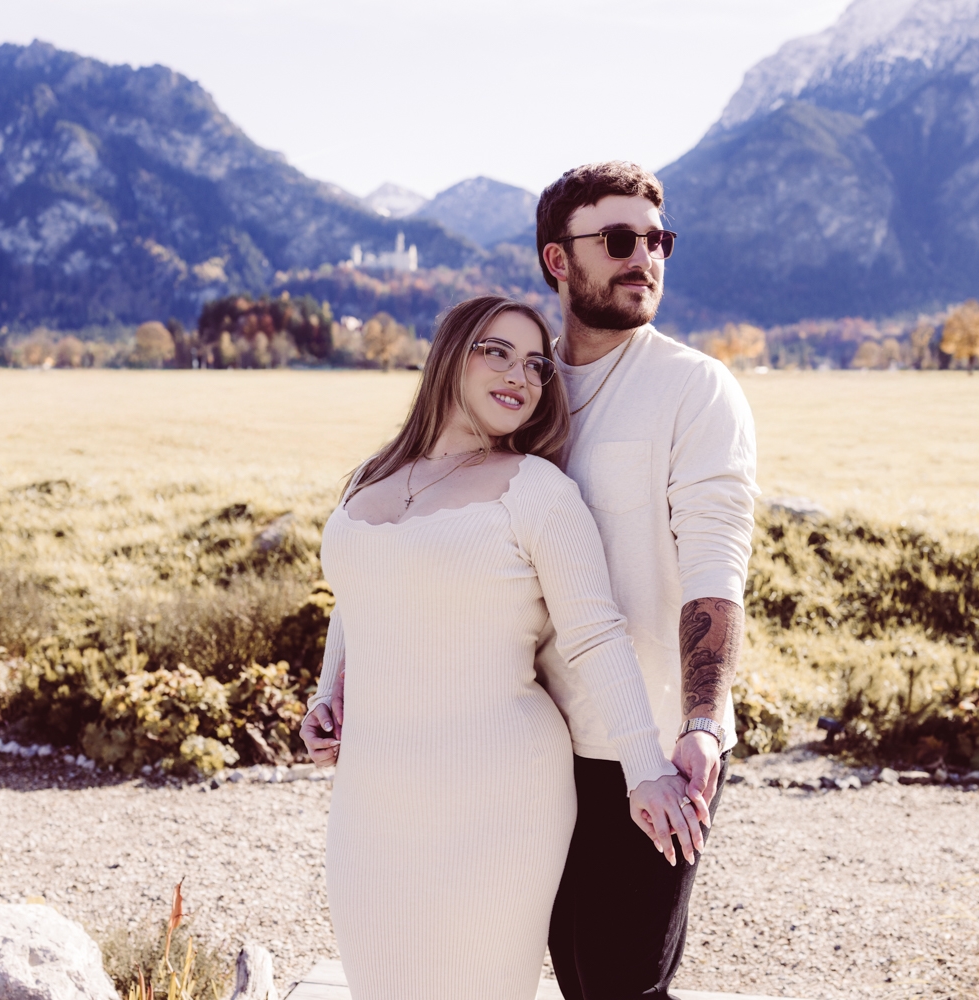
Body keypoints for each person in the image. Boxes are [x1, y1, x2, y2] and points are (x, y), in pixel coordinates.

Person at [296, 295, 703, 1000]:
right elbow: (358, 594)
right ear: (452, 353)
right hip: (372, 790)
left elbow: (595, 634)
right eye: (498, 351)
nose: (522, 374)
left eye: (538, 365)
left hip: (500, 790)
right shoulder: (371, 478)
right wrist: (330, 691)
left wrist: (646, 768)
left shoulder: (538, 491)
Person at [536, 162, 759, 1000]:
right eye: (620, 240)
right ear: (560, 260)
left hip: (659, 745)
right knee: (571, 971)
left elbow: (715, 562)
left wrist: (702, 722)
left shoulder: (695, 388)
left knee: (625, 982)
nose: (646, 260)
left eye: (658, 241)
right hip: (536, 741)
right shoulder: (525, 386)